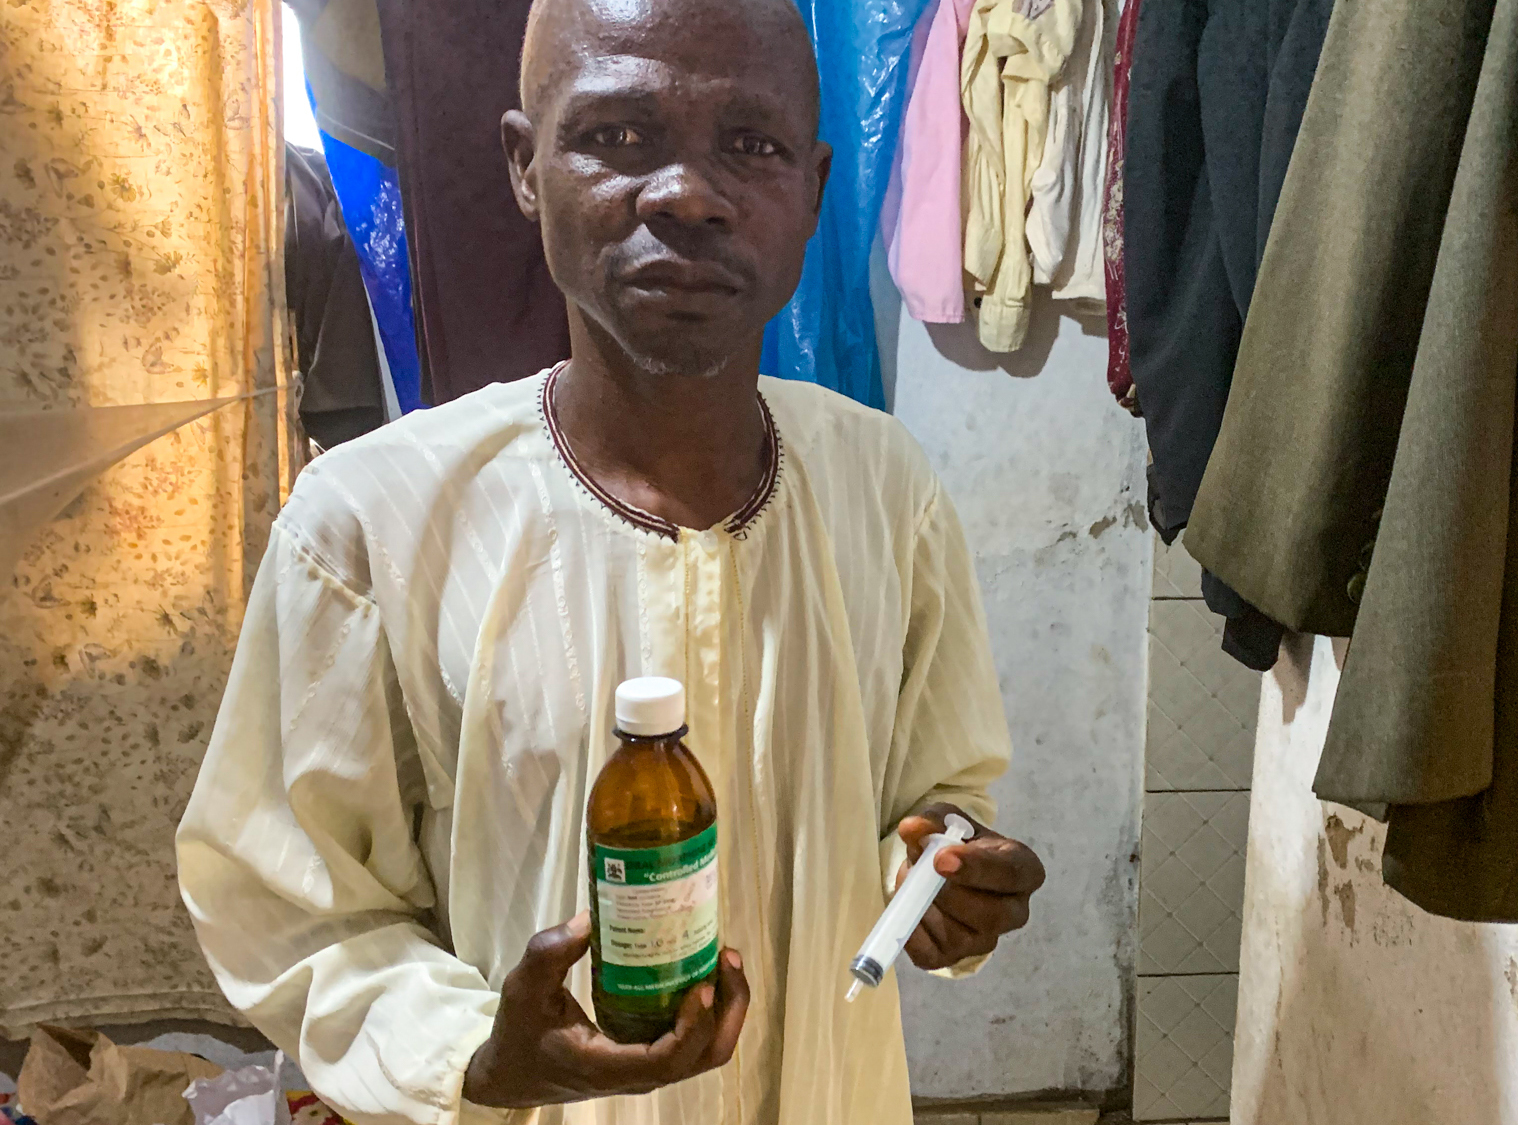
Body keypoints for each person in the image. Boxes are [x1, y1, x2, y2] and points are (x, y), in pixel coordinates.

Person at [175, 0, 1046, 1120]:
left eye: (751, 144)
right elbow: (292, 908)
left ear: (814, 189)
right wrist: (475, 1055)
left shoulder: (887, 492)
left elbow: (937, 797)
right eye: (619, 137)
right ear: (523, 165)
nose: (686, 193)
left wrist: (944, 875)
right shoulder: (373, 526)